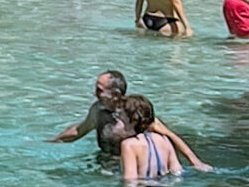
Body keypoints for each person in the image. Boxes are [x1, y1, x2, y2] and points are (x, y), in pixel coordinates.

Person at [50, 70, 209, 169]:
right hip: (103, 164)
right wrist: (50, 142)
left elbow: (170, 137)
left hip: (130, 168)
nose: (94, 94)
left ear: (116, 94)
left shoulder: (133, 113)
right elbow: (79, 130)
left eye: (99, 90)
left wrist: (195, 162)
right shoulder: (98, 109)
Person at [117, 95, 185, 182]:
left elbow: (130, 180)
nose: (118, 118)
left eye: (121, 115)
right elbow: (177, 171)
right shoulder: (164, 140)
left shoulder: (129, 145)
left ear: (133, 120)